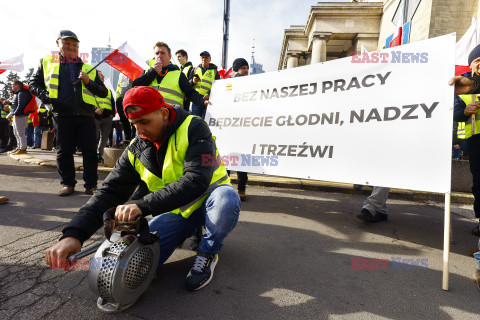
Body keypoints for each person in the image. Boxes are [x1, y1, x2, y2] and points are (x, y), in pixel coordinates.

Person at [45, 86, 241, 291]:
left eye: (145, 121)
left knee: (227, 200)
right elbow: (109, 192)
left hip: (211, 198)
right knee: (137, 264)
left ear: (164, 113)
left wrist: (143, 205)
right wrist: (74, 235)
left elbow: (196, 181)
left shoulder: (194, 126)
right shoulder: (136, 147)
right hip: (179, 210)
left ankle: (208, 251)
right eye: (134, 123)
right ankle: (191, 229)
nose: (139, 130)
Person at [29, 30, 108, 196]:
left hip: (86, 115)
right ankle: (68, 184)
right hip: (61, 114)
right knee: (64, 151)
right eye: (67, 44)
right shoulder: (47, 61)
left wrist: (88, 82)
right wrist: (46, 96)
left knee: (90, 152)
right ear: (58, 43)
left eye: (75, 45)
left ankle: (91, 185)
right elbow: (33, 84)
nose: (71, 47)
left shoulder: (88, 68)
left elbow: (103, 92)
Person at [132, 42, 207, 114]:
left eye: (163, 53)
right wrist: (152, 72)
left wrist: (203, 102)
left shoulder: (178, 74)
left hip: (172, 118)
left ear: (170, 57)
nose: (159, 56)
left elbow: (190, 92)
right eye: (157, 53)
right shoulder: (148, 72)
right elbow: (135, 87)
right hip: (151, 117)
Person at [453, 45, 480, 236]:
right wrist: (464, 111)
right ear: (470, 64)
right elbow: (453, 113)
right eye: (477, 61)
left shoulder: (470, 83)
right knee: (478, 183)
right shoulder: (460, 85)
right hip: (475, 143)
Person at [229, 58, 250, 201]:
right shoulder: (229, 83)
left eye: (247, 67)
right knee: (228, 158)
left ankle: (241, 188)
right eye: (243, 68)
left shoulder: (250, 84)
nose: (246, 70)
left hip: (244, 128)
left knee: (243, 159)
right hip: (230, 128)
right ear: (236, 69)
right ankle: (225, 188)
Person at [191, 51, 220, 119]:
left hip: (208, 100)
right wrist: (193, 82)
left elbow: (217, 86)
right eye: (202, 57)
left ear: (210, 59)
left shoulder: (215, 71)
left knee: (206, 121)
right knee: (195, 121)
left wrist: (209, 94)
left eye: (206, 57)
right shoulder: (195, 70)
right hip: (196, 100)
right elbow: (188, 85)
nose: (203, 59)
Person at [93, 70, 115, 164]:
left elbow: (112, 102)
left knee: (104, 138)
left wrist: (112, 114)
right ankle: (92, 155)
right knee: (94, 137)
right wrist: (95, 110)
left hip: (107, 117)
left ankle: (99, 155)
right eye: (99, 76)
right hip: (96, 116)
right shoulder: (91, 88)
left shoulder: (108, 90)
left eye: (102, 76)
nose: (101, 77)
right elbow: (89, 101)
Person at [7, 80, 33, 155]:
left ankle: (23, 148)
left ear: (17, 85)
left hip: (20, 115)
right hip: (18, 115)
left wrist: (16, 114)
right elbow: (16, 105)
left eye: (13, 85)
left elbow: (21, 105)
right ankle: (19, 147)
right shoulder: (19, 93)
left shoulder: (22, 93)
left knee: (20, 133)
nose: (12, 86)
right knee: (16, 133)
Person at [115, 73, 135, 141]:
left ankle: (133, 138)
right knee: (124, 120)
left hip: (132, 98)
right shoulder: (121, 74)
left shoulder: (136, 71)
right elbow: (119, 87)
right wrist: (117, 100)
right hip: (121, 99)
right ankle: (127, 139)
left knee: (133, 120)